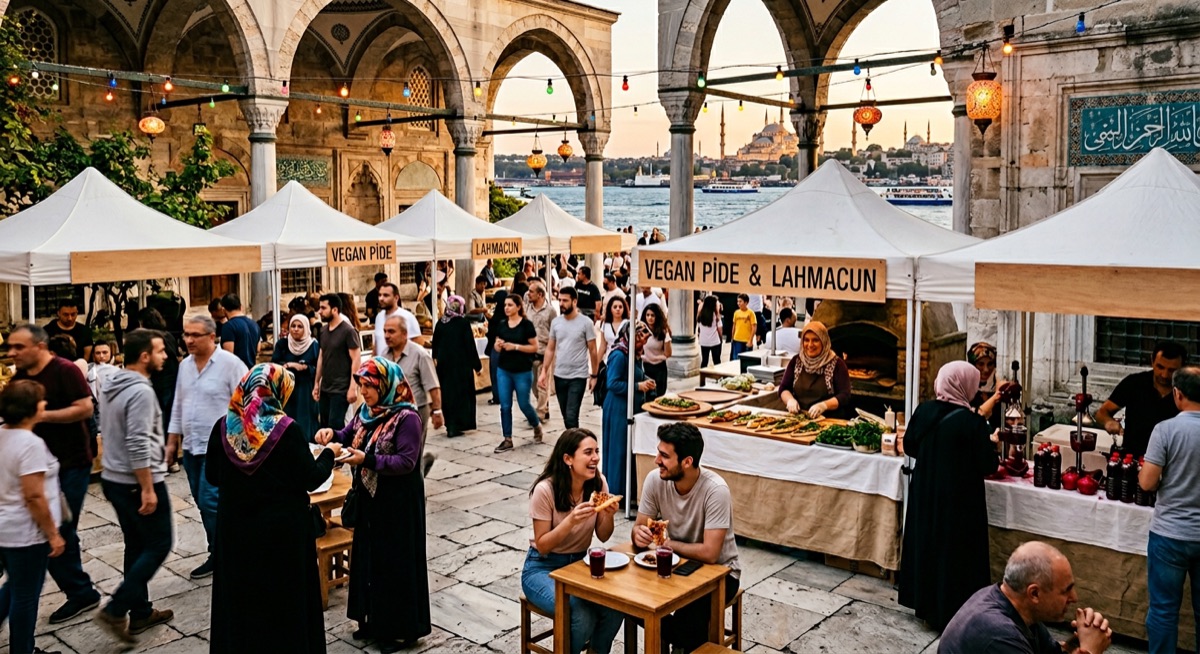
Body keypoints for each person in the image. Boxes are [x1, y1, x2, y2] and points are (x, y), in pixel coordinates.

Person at [207, 363, 338, 654]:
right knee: (283, 604)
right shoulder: (286, 430)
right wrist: (330, 454)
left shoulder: (223, 427)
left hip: (235, 532)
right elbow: (311, 477)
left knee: (242, 603)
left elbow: (212, 476)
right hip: (281, 536)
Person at [315, 359, 431, 652]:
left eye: (369, 385)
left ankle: (396, 630)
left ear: (386, 385)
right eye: (362, 385)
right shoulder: (366, 412)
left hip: (397, 503)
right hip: (370, 500)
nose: (364, 391)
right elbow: (349, 434)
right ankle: (371, 621)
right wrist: (332, 435)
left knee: (394, 564)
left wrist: (366, 459)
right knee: (369, 561)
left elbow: (406, 461)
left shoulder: (407, 418)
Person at [898, 360, 1007, 631]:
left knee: (928, 545)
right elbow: (988, 465)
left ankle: (925, 605)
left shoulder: (924, 410)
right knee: (954, 553)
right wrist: (992, 445)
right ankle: (952, 609)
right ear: (965, 386)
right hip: (959, 500)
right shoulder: (973, 423)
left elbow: (910, 445)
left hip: (925, 492)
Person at [7, 324, 101, 624]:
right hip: (35, 464)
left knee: (58, 529)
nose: (12, 352)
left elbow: (85, 409)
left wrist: (40, 416)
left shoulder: (65, 370)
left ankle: (80, 592)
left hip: (71, 463)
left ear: (40, 346)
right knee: (49, 529)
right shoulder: (20, 377)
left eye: (18, 347)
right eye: (10, 347)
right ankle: (79, 590)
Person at [94, 329, 174, 644]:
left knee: (137, 544)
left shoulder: (112, 381)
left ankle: (140, 611)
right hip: (135, 480)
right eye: (160, 351)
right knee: (159, 543)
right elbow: (137, 441)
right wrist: (148, 487)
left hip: (114, 478)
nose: (165, 355)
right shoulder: (140, 391)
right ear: (144, 356)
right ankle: (117, 608)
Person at [632, 422, 740, 652]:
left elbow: (710, 554)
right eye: (658, 453)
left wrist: (667, 544)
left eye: (664, 456)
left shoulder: (715, 490)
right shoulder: (655, 479)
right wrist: (638, 534)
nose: (656, 460)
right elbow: (639, 526)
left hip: (721, 574)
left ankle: (683, 643)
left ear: (687, 462)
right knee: (628, 599)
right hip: (677, 566)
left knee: (687, 625)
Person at [521, 429, 624, 654]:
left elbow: (603, 535)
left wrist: (608, 515)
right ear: (568, 459)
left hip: (578, 565)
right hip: (542, 568)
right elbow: (543, 545)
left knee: (616, 606)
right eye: (588, 452)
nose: (595, 458)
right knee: (581, 614)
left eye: (596, 451)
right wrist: (571, 521)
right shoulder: (545, 490)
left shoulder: (598, 484)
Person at [168, 315, 248, 580]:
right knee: (202, 503)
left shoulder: (231, 364)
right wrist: (172, 440)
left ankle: (226, 551)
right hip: (192, 447)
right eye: (186, 334)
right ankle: (219, 549)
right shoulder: (185, 366)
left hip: (221, 449)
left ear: (212, 337)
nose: (189, 340)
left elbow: (247, 405)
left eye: (195, 335)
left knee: (210, 500)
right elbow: (178, 404)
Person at [940, 541, 1112, 654]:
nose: (1074, 598)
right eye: (1065, 591)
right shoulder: (1000, 636)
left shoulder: (1020, 609)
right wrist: (1090, 650)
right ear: (1034, 594)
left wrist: (1080, 642)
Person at [0, 380, 66, 654]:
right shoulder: (30, 444)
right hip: (26, 532)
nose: (44, 404)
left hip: (5, 528)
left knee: (15, 584)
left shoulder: (2, 434)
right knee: (26, 595)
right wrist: (53, 534)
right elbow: (34, 496)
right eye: (41, 401)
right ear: (29, 408)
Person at [1139, 365, 1200, 653]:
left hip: (1170, 533)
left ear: (1177, 394)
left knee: (1163, 610)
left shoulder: (1165, 430)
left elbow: (1147, 482)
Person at [1096, 341, 1187, 458]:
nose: (1164, 375)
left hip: (1173, 461)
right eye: (1160, 367)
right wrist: (1108, 422)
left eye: (1171, 370)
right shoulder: (1134, 383)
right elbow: (1102, 413)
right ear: (1152, 361)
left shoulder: (1189, 391)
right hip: (1132, 458)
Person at [382, 314, 442, 476]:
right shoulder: (384, 356)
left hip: (415, 412)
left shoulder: (419, 354)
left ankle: (417, 486)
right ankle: (423, 463)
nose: (387, 336)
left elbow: (433, 385)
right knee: (396, 454)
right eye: (385, 331)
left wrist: (437, 411)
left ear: (404, 334)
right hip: (391, 412)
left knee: (411, 456)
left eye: (391, 331)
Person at [604, 322, 654, 501]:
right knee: (619, 450)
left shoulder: (634, 353)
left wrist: (646, 380)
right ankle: (618, 491)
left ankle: (629, 490)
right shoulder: (619, 355)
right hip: (619, 408)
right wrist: (638, 386)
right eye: (640, 340)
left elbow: (635, 374)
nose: (643, 344)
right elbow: (612, 383)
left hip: (631, 406)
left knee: (629, 449)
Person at [539, 287, 599, 430]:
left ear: (574, 301)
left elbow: (593, 350)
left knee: (572, 415)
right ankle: (574, 439)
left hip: (578, 376)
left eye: (565, 300)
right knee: (566, 416)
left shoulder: (586, 323)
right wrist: (544, 371)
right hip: (560, 375)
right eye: (560, 300)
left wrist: (594, 375)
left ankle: (575, 441)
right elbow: (550, 348)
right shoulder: (556, 323)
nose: (561, 304)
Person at [493, 294, 544, 453]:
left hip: (522, 370)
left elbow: (535, 347)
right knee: (505, 405)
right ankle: (507, 438)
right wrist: (498, 345)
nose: (506, 308)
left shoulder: (526, 325)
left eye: (510, 305)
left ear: (518, 307)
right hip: (504, 369)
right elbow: (496, 345)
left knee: (524, 404)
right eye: (505, 305)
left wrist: (515, 347)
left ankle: (536, 425)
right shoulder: (502, 324)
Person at [778, 321, 853, 420]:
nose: (810, 345)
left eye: (815, 340)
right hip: (799, 419)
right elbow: (784, 388)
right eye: (806, 340)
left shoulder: (837, 364)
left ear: (824, 341)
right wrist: (790, 400)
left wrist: (824, 405)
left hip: (828, 420)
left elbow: (845, 395)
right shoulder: (796, 361)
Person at [432, 296, 483, 438]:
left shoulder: (441, 322)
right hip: (461, 367)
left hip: (444, 367)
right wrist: (477, 366)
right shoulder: (463, 323)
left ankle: (451, 425)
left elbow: (435, 344)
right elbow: (470, 346)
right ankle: (459, 424)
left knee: (448, 395)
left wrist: (436, 359)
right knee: (461, 395)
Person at [313, 293, 361, 431]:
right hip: (326, 387)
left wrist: (353, 387)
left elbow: (356, 359)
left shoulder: (348, 331)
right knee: (324, 425)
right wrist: (317, 383)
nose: (319, 312)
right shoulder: (323, 331)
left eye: (323, 308)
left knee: (335, 427)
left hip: (341, 388)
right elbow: (321, 357)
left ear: (334, 310)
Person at [271, 315, 320, 438]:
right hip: (287, 389)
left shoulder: (313, 345)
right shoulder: (282, 344)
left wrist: (304, 367)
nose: (296, 329)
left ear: (306, 328)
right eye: (293, 326)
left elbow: (318, 368)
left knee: (305, 420)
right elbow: (274, 364)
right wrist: (289, 365)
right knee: (287, 421)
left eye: (300, 326)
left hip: (306, 389)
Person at [526, 281, 556, 422]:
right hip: (530, 351)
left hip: (545, 351)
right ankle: (544, 405)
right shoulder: (528, 309)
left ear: (540, 294)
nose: (528, 294)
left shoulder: (550, 311)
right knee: (533, 385)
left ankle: (540, 412)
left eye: (531, 291)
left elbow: (555, 332)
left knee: (542, 383)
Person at [373, 282, 422, 355]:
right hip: (381, 361)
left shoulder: (408, 316)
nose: (381, 298)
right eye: (379, 295)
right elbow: (377, 343)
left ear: (396, 298)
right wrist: (373, 359)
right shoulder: (379, 317)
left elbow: (418, 343)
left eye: (386, 295)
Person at [218, 293, 260, 369]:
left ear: (223, 310)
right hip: (251, 371)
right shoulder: (255, 324)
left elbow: (228, 355)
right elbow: (258, 349)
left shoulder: (228, 327)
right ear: (241, 307)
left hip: (236, 372)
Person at [641, 304, 671, 402]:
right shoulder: (641, 331)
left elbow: (668, 353)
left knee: (659, 395)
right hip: (645, 367)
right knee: (647, 396)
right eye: (648, 315)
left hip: (659, 367)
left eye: (652, 315)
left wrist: (667, 338)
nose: (650, 318)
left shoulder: (662, 332)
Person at [485, 289, 508, 407]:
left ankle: (497, 396)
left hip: (496, 348)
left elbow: (491, 333)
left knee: (495, 374)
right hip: (507, 348)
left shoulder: (496, 318)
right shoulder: (508, 316)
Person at [596, 295, 630, 360]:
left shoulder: (628, 323)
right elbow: (603, 346)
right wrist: (596, 363)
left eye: (620, 307)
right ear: (610, 309)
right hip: (608, 359)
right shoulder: (605, 324)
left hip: (624, 358)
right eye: (615, 307)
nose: (618, 309)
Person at [697, 295, 724, 368]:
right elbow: (720, 329)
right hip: (714, 341)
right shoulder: (716, 315)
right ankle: (718, 375)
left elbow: (699, 328)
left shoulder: (700, 315)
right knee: (717, 361)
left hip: (704, 341)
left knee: (704, 361)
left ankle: (702, 374)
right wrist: (721, 338)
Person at [728, 293, 757, 359]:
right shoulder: (736, 312)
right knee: (736, 358)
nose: (738, 303)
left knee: (746, 359)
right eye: (738, 301)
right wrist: (732, 337)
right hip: (737, 339)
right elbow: (734, 326)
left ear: (746, 302)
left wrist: (751, 340)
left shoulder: (751, 313)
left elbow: (754, 327)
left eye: (740, 301)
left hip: (746, 340)